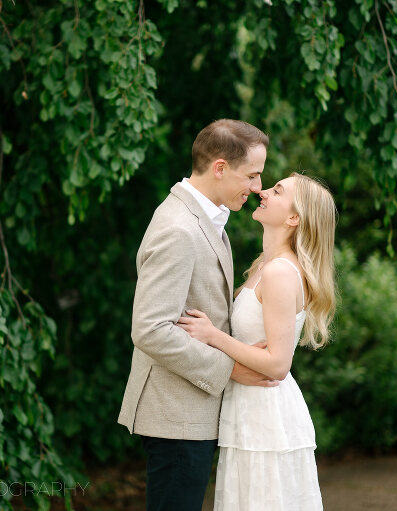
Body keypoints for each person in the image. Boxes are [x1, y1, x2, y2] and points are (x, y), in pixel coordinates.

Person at [117, 119, 277, 511]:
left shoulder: (205, 219)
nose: (257, 187)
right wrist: (230, 369)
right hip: (175, 415)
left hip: (190, 410)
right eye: (252, 175)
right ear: (220, 167)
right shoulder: (179, 228)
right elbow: (151, 330)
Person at [177, 172, 337, 510]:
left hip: (266, 419)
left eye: (276, 191)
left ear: (294, 218)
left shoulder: (280, 273)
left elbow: (278, 365)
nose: (262, 192)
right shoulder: (265, 265)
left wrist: (213, 336)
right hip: (249, 411)